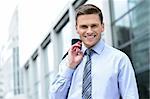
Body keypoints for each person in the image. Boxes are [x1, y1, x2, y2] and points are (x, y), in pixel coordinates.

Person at [49, 4, 139, 99]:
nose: (89, 31)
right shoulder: (68, 61)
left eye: (94, 26)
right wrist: (70, 67)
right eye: (84, 27)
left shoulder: (119, 59)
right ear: (77, 29)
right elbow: (55, 97)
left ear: (102, 27)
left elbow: (131, 95)